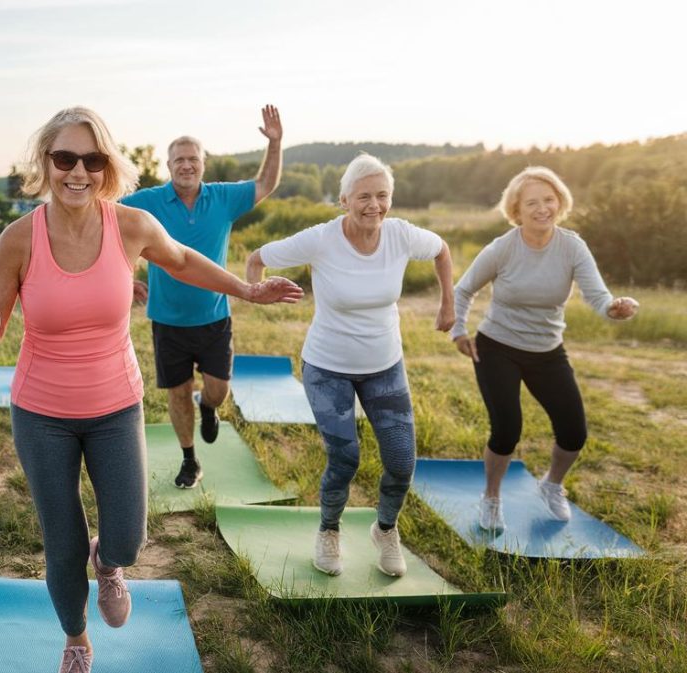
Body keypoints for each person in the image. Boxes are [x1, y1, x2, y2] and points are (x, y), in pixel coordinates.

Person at [0, 107, 302, 673]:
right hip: (41, 411)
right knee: (61, 539)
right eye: (65, 158)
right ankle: (76, 638)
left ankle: (110, 565)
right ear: (47, 163)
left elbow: (185, 260)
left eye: (91, 160)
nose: (77, 172)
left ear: (106, 166)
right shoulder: (18, 240)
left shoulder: (129, 225)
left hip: (115, 404)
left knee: (128, 536)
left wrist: (245, 289)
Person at [246, 153, 455, 578]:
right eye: (363, 196)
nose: (373, 204)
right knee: (346, 459)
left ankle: (386, 529)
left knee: (401, 461)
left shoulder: (399, 235)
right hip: (327, 367)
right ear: (344, 199)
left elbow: (442, 250)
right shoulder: (322, 239)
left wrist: (448, 303)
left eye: (382, 195)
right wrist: (256, 290)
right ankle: (329, 531)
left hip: (385, 366)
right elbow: (257, 256)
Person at [451, 166, 638, 531]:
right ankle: (491, 498)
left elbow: (598, 296)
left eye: (549, 200)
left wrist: (615, 308)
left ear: (560, 203)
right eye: (532, 203)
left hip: (547, 350)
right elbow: (464, 289)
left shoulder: (572, 246)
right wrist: (459, 332)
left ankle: (551, 484)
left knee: (574, 432)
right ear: (517, 210)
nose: (542, 208)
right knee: (506, 429)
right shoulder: (503, 248)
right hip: (498, 346)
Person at [120, 105, 283, 489]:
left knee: (218, 389)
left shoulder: (223, 198)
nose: (187, 165)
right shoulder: (148, 202)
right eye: (180, 160)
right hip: (167, 320)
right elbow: (109, 228)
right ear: (168, 165)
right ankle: (189, 459)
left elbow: (265, 184)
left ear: (203, 164)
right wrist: (125, 277)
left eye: (193, 159)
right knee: (177, 393)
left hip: (214, 317)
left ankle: (209, 407)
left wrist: (275, 143)